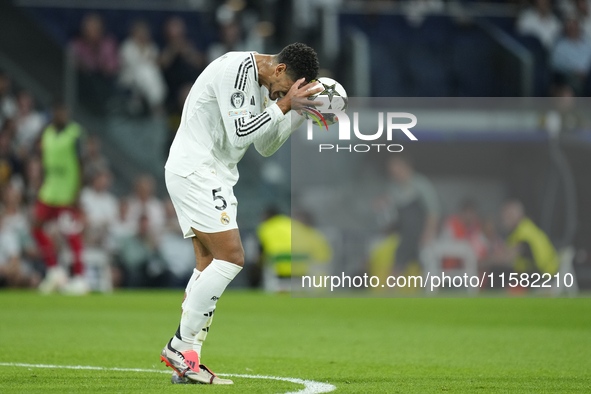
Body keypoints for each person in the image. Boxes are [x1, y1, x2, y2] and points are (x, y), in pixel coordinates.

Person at [160, 42, 321, 385]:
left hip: (212, 173)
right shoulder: (238, 70)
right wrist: (285, 104)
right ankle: (179, 346)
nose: (280, 94)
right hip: (197, 169)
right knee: (232, 258)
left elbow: (263, 145)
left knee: (207, 266)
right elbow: (240, 133)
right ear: (279, 70)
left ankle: (189, 360)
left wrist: (295, 114)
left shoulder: (267, 85)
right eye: (285, 87)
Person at [33, 101, 87, 295]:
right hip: (49, 191)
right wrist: (38, 182)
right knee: (36, 227)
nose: (60, 115)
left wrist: (77, 193)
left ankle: (80, 278)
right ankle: (54, 270)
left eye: (63, 111)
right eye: (57, 111)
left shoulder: (75, 133)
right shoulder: (46, 133)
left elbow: (82, 164)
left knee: (71, 235)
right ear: (53, 113)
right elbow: (41, 160)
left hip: (67, 194)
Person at [119, 20, 167, 112]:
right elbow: (132, 65)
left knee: (150, 72)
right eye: (139, 33)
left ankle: (156, 103)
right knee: (145, 72)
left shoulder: (151, 46)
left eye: (144, 33)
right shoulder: (127, 46)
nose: (142, 35)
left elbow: (156, 64)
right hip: (130, 77)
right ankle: (153, 103)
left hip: (149, 78)